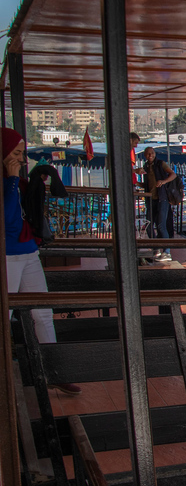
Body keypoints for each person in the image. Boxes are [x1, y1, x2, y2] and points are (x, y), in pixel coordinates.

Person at [3, 127, 81, 395]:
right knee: (7, 312)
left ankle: (53, 370)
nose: (20, 160)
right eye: (15, 154)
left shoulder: (21, 183)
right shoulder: (9, 184)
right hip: (8, 255)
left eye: (22, 154)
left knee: (43, 313)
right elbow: (9, 222)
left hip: (28, 252)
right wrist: (12, 180)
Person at [134, 146, 176, 262]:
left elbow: (173, 174)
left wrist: (163, 181)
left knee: (161, 225)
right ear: (145, 156)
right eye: (148, 154)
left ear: (154, 154)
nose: (150, 156)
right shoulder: (146, 167)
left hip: (162, 198)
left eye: (151, 153)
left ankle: (167, 252)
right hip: (151, 199)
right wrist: (137, 182)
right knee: (148, 225)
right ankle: (156, 248)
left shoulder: (161, 164)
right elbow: (148, 185)